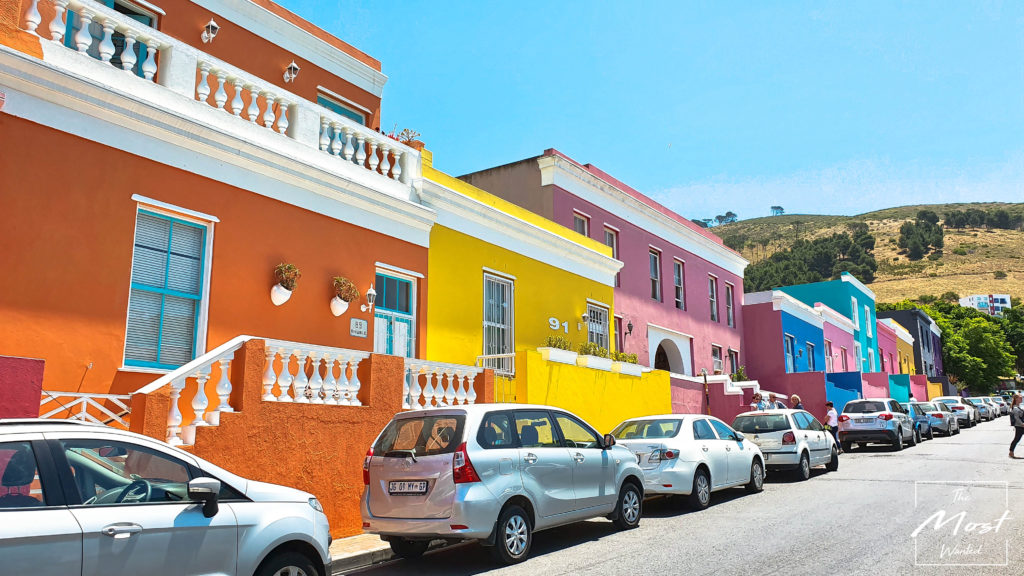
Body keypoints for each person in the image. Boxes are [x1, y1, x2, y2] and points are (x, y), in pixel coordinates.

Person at [1010, 395, 1024, 459]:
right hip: (1019, 426)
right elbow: (1016, 418)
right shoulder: (1015, 408)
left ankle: (1011, 451)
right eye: (1020, 398)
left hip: (1021, 426)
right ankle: (1011, 451)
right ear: (1016, 399)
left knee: (1016, 439)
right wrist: (1022, 424)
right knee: (1016, 439)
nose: (1021, 399)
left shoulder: (1019, 407)